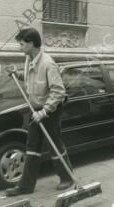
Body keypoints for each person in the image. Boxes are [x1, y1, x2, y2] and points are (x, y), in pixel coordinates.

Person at [5, 27, 74, 196]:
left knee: (54, 144)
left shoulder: (48, 63)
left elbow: (59, 92)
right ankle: (26, 186)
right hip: (35, 109)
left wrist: (44, 112)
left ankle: (67, 178)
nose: (19, 47)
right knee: (32, 146)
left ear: (31, 44)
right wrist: (17, 74)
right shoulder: (30, 58)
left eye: (21, 44)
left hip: (50, 110)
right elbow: (30, 77)